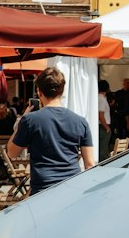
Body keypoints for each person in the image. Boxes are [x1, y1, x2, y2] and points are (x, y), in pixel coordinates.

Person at [7, 67, 94, 196]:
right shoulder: (81, 122)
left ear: (39, 92)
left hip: (43, 190)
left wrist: (19, 124)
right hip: (72, 188)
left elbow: (12, 153)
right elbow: (90, 164)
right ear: (62, 90)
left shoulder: (30, 120)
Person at [97, 79, 112, 161]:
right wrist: (107, 127)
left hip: (100, 126)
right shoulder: (102, 99)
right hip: (103, 126)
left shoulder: (97, 98)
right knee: (103, 150)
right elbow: (101, 115)